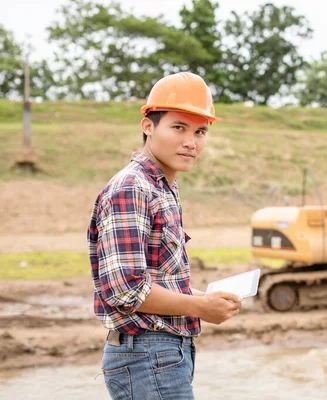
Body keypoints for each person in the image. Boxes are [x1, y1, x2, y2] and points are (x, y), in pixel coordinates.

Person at [87, 72, 242, 400]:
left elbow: (157, 279)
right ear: (148, 126)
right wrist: (201, 308)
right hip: (147, 354)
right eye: (178, 127)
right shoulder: (133, 188)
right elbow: (127, 291)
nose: (191, 142)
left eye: (200, 131)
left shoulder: (162, 187)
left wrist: (206, 297)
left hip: (162, 354)